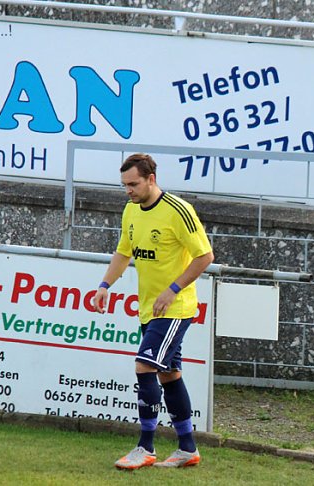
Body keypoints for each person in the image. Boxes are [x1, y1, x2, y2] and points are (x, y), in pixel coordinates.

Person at [94, 153, 214, 469]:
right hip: (150, 309)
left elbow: (205, 257)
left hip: (176, 308)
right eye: (124, 185)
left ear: (151, 179)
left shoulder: (179, 211)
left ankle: (145, 447)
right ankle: (187, 449)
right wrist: (105, 285)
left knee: (144, 366)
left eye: (133, 184)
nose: (128, 191)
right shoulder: (131, 210)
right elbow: (124, 251)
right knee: (169, 373)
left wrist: (172, 290)